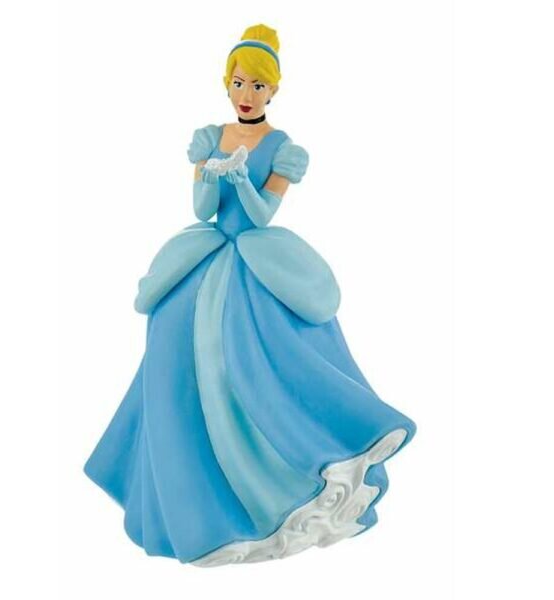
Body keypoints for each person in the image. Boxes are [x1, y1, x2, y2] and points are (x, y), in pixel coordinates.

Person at [84, 23, 417, 567]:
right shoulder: (209, 138)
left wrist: (242, 181)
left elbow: (261, 215)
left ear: (273, 91)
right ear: (227, 84)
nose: (247, 94)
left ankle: (292, 462)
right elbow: (201, 210)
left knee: (263, 353)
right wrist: (210, 175)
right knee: (174, 345)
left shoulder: (282, 149)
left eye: (258, 86)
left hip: (257, 256)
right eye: (239, 83)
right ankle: (194, 493)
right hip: (207, 252)